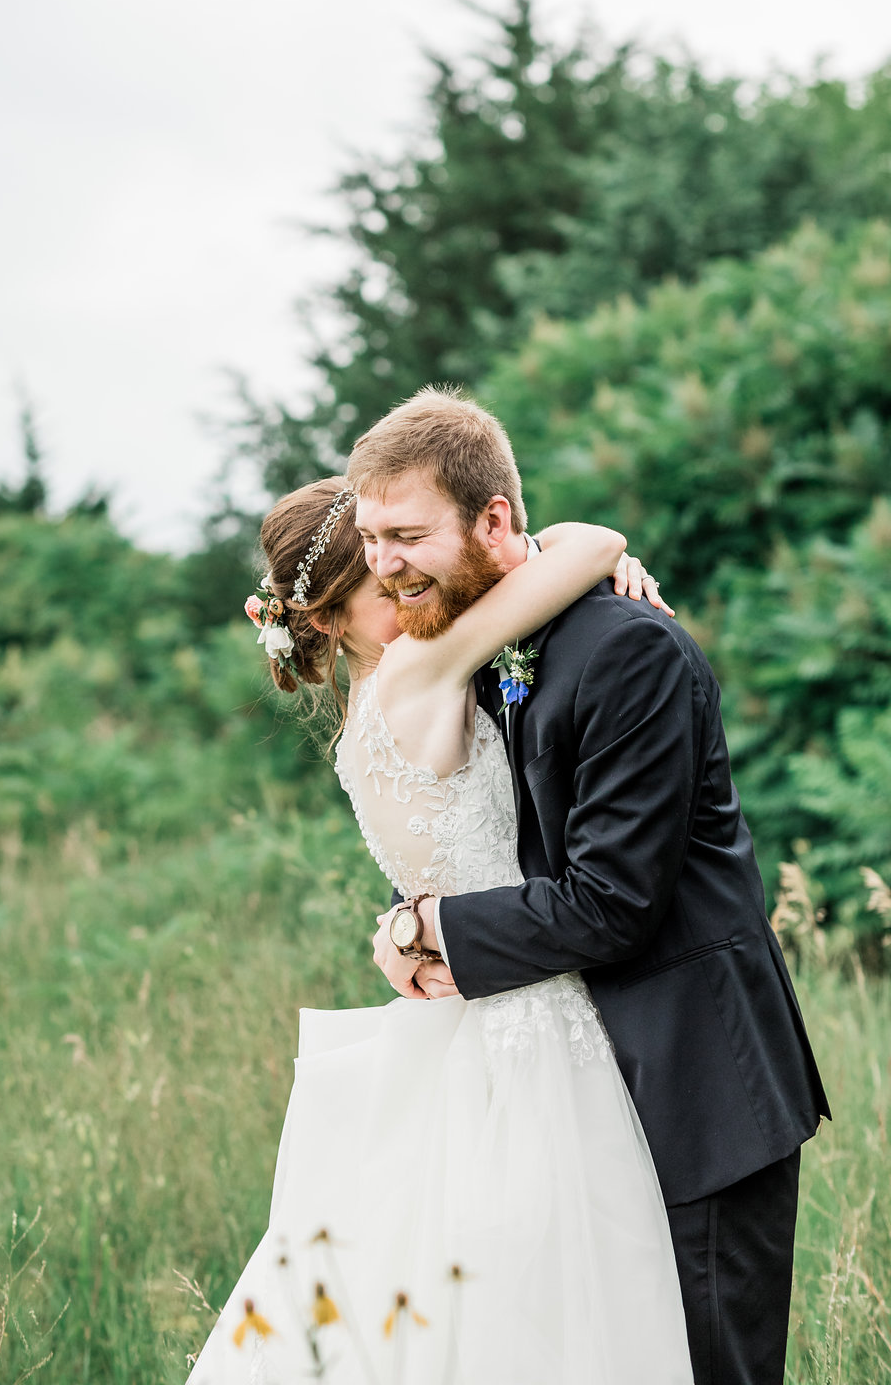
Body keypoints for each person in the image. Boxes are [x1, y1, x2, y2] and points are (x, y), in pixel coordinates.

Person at [348, 388, 831, 1385]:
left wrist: (427, 923)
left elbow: (612, 900)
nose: (384, 564)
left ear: (494, 519)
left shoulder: (628, 652)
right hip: (560, 1091)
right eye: (369, 538)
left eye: (405, 535)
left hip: (688, 1085)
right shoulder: (484, 642)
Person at [186, 477, 695, 1384]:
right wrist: (608, 556)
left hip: (470, 1000)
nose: (410, 592)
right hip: (530, 1018)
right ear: (332, 618)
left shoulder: (363, 712)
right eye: (384, 588)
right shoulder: (422, 670)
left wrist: (410, 924)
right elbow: (589, 539)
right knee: (559, 1294)